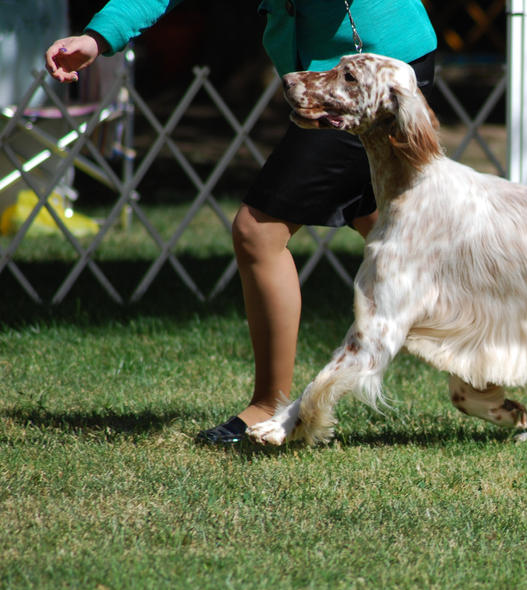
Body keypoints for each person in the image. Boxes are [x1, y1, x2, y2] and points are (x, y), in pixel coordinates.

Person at [46, 0, 438, 444]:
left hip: (377, 74)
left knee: (259, 230)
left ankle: (269, 406)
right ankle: (485, 370)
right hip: (331, 73)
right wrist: (98, 37)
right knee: (391, 236)